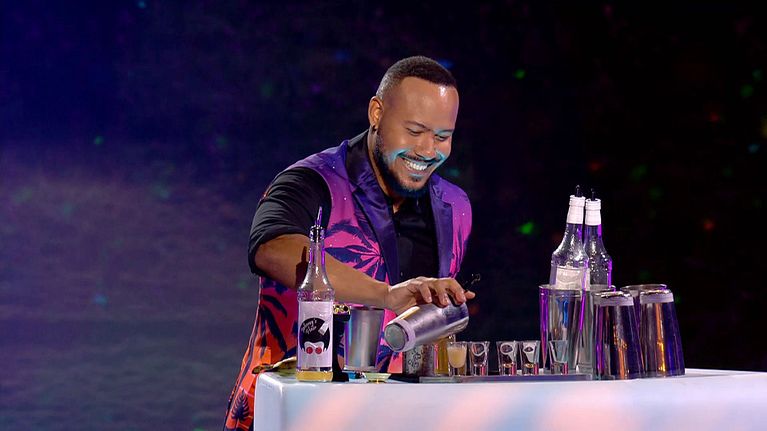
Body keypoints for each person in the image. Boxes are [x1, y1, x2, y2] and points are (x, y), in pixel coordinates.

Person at [224, 56, 474, 430]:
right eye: (414, 130)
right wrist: (385, 295)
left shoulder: (456, 206)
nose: (427, 150)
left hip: (389, 418)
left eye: (442, 137)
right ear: (377, 113)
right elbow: (271, 249)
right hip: (289, 411)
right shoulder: (310, 181)